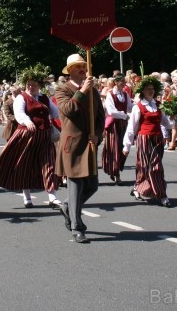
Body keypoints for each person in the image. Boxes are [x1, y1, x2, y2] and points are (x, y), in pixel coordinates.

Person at [0, 65, 62, 209]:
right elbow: (19, 114)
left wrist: (65, 119)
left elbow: (56, 113)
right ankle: (27, 197)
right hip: (27, 135)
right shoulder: (21, 98)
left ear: (39, 85)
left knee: (49, 164)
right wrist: (28, 121)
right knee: (25, 165)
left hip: (45, 136)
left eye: (34, 84)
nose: (31, 87)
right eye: (28, 84)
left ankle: (52, 196)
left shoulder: (44, 98)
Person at [54, 54, 105, 244]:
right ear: (70, 71)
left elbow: (101, 116)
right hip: (72, 144)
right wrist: (83, 90)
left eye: (84, 66)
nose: (82, 69)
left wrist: (98, 134)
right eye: (78, 67)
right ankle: (77, 227)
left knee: (92, 185)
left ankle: (67, 207)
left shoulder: (94, 91)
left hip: (89, 143)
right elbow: (68, 109)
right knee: (75, 186)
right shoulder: (62, 89)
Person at [123, 75, 173, 207]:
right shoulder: (138, 107)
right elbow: (131, 127)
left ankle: (137, 188)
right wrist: (126, 145)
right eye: (147, 89)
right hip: (144, 138)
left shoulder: (158, 105)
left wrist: (173, 117)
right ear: (142, 91)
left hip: (157, 139)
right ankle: (162, 195)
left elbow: (166, 123)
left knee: (148, 167)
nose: (150, 91)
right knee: (152, 167)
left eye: (152, 88)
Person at [103, 74, 132, 185]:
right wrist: (125, 115)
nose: (124, 83)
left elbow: (130, 106)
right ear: (116, 82)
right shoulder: (110, 94)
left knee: (124, 147)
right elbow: (111, 111)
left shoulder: (125, 94)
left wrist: (138, 109)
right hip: (114, 124)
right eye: (122, 81)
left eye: (124, 81)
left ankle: (117, 169)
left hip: (123, 124)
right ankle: (115, 173)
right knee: (114, 147)